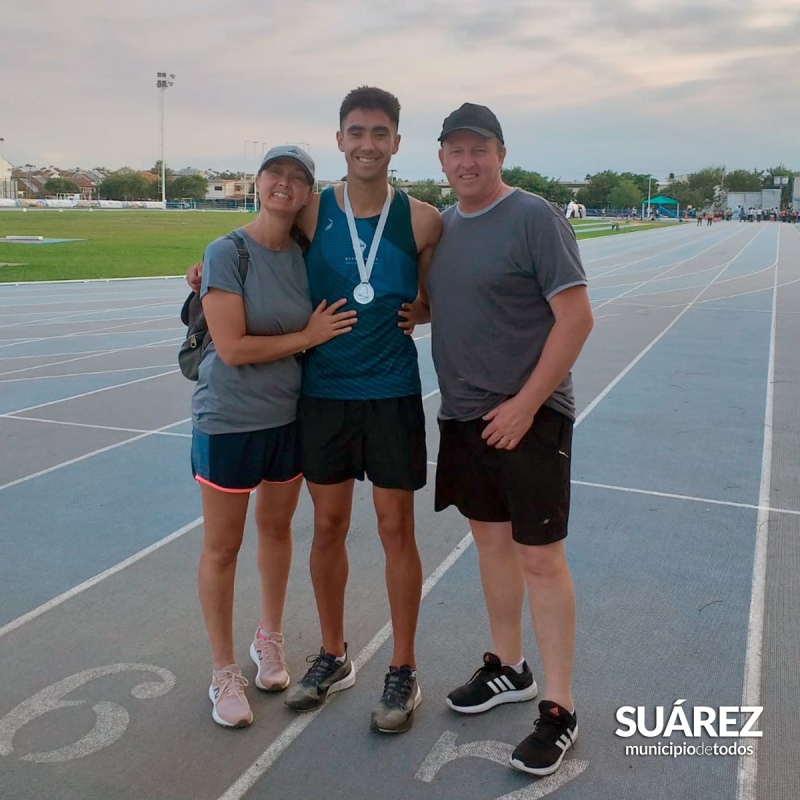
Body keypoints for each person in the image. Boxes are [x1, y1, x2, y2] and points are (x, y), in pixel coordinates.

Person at [187, 87, 441, 734]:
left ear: (396, 143)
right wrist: (206, 270)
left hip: (389, 393)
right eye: (355, 131)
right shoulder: (311, 212)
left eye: (380, 133)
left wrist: (426, 310)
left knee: (395, 531)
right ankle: (333, 654)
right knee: (326, 529)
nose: (366, 143)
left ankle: (404, 668)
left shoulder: (423, 220)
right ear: (339, 140)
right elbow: (261, 244)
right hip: (322, 395)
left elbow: (439, 293)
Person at [421, 103, 593, 776]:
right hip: (464, 415)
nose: (467, 161)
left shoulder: (534, 217)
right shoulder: (445, 225)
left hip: (530, 413)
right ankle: (509, 667)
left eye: (479, 149)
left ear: (500, 154)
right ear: (440, 160)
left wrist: (525, 405)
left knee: (540, 558)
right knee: (489, 543)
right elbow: (449, 301)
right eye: (455, 151)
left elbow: (576, 319)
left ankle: (559, 706)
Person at [191, 145, 357, 728]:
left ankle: (270, 639)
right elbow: (233, 349)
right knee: (223, 546)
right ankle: (221, 671)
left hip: (287, 418)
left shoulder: (307, 255)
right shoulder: (226, 251)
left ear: (308, 193)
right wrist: (307, 337)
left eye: (297, 178)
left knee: (276, 530)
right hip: (230, 420)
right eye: (275, 174)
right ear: (257, 184)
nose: (285, 184)